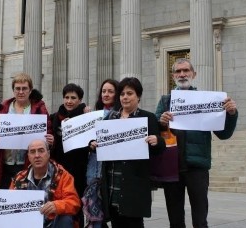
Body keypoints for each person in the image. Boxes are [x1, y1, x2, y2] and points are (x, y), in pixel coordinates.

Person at [155, 58, 239, 228]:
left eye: (186, 70)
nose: (182, 74)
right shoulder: (165, 101)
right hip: (172, 166)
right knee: (175, 219)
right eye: (178, 71)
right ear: (173, 76)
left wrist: (231, 114)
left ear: (194, 74)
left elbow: (223, 134)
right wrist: (161, 122)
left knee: (200, 219)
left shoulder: (207, 101)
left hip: (197, 166)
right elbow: (155, 132)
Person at [97, 77, 165, 228]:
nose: (125, 97)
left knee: (134, 223)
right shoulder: (110, 118)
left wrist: (157, 141)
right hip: (112, 180)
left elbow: (159, 149)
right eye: (122, 94)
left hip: (134, 183)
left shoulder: (148, 117)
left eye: (130, 93)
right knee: (116, 221)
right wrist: (94, 144)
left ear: (138, 96)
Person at [0, 139, 81, 228]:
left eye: (41, 151)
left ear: (48, 154)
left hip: (53, 224)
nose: (37, 155)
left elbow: (74, 203)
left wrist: (57, 206)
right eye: (32, 152)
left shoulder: (62, 175)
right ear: (28, 156)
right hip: (26, 224)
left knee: (65, 219)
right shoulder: (19, 178)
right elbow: (10, 207)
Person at [0, 72, 53, 189]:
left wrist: (51, 140)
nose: (21, 92)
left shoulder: (39, 110)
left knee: (25, 201)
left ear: (30, 90)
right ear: (13, 90)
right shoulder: (2, 109)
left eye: (24, 88)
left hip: (28, 165)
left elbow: (49, 132)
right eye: (17, 88)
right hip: (4, 165)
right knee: (6, 202)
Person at [51, 83, 89, 228]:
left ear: (80, 100)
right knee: (60, 202)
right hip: (59, 169)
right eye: (66, 97)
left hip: (79, 169)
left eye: (73, 98)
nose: (69, 101)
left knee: (76, 204)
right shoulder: (55, 117)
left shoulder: (86, 117)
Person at [83, 79, 119, 228]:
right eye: (104, 91)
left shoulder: (120, 114)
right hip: (95, 166)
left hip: (112, 168)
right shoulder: (94, 114)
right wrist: (90, 143)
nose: (106, 94)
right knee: (95, 209)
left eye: (110, 91)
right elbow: (86, 139)